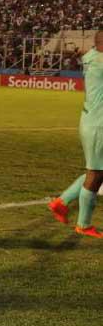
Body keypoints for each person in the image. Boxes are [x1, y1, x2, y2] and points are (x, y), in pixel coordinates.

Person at [49, 31, 103, 238]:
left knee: (97, 169)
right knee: (96, 174)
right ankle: (84, 224)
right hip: (99, 124)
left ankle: (61, 202)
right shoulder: (99, 62)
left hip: (90, 120)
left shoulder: (91, 57)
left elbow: (84, 52)